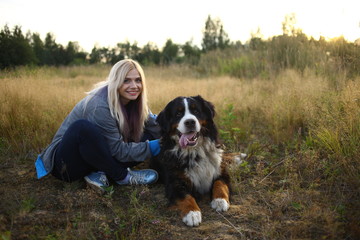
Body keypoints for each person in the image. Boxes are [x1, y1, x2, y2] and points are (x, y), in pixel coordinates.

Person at [35, 59, 161, 193]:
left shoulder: (135, 101)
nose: (134, 85)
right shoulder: (99, 104)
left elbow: (155, 125)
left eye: (138, 80)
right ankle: (123, 177)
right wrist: (162, 144)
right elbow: (119, 151)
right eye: (126, 80)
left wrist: (180, 133)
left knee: (148, 134)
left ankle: (98, 173)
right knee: (82, 128)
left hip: (98, 157)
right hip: (67, 163)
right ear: (115, 81)